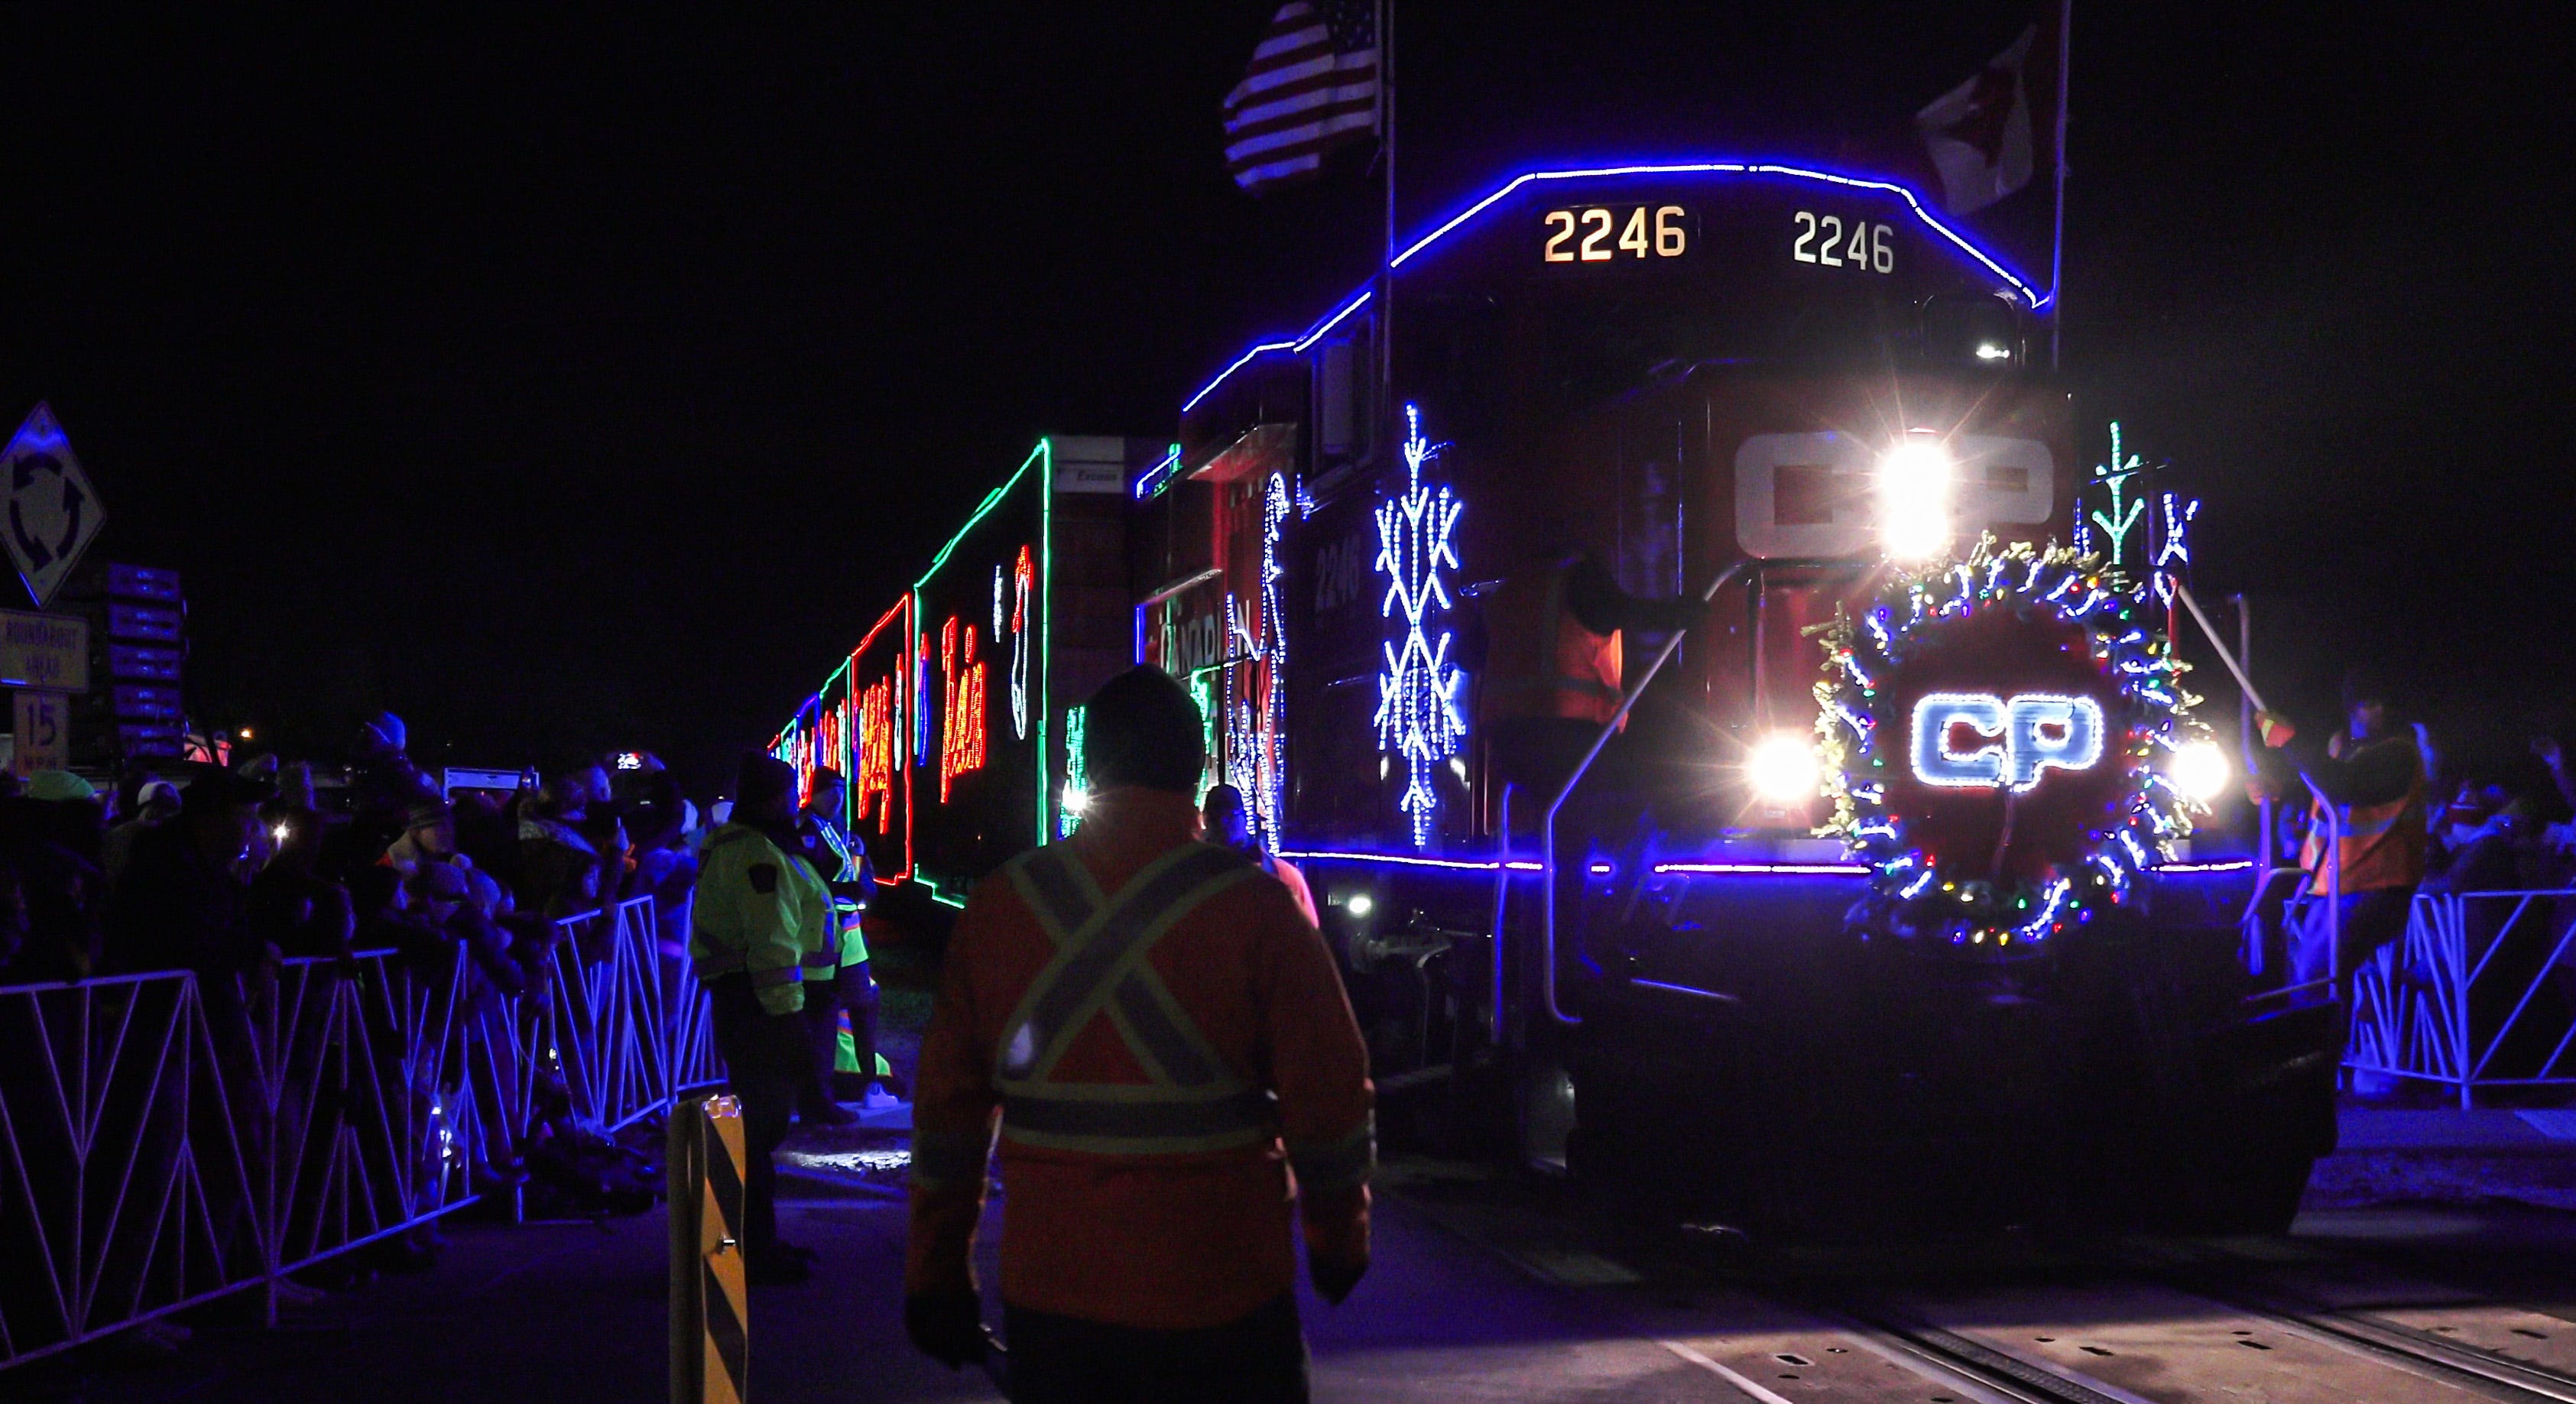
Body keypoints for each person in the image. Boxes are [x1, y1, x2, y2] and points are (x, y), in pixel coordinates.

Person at [906, 666, 1374, 1401]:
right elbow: (1331, 1095)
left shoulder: (998, 910)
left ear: (1089, 764)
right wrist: (1337, 1240)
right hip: (1226, 1301)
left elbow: (947, 1119)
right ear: (1195, 770)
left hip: (1056, 1303)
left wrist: (936, 1272)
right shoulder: (1260, 911)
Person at [690, 754, 829, 1286]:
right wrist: (788, 1016)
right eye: (789, 793)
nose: (795, 802)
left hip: (753, 1004)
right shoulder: (755, 854)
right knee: (759, 1128)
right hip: (762, 1007)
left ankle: (757, 1244)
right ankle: (750, 1251)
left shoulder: (755, 846)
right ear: (773, 798)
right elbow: (772, 943)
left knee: (759, 1129)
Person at [2253, 667, 2428, 1004]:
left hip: (2376, 886)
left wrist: (2289, 743)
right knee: (2311, 984)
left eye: (2383, 703)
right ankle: (2330, 1047)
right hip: (2335, 884)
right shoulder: (2340, 747)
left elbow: (2345, 785)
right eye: (2370, 703)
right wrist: (2274, 791)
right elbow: (2323, 790)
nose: (2381, 711)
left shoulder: (2399, 753)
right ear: (2352, 707)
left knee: (2311, 986)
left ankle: (2316, 1053)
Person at [108, 770, 277, 977]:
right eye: (248, 818)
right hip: (166, 1001)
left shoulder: (206, 867)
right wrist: (253, 952)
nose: (253, 830)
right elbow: (190, 941)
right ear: (215, 819)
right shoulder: (167, 867)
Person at [793, 767, 891, 1120]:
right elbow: (825, 880)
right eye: (829, 790)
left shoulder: (838, 832)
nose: (837, 796)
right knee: (829, 1014)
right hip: (827, 939)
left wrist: (859, 864)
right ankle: (840, 1091)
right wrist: (854, 881)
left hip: (845, 937)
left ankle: (863, 1086)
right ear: (813, 793)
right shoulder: (808, 830)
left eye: (841, 790)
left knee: (855, 1007)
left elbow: (862, 883)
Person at [1202, 783, 1317, 927]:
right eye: (1216, 817)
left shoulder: (1282, 873)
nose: (1223, 823)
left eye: (1230, 815)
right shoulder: (1280, 872)